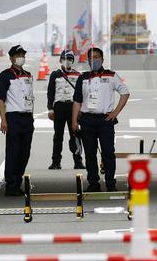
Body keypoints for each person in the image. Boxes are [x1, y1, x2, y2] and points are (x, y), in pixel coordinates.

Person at [71, 47, 130, 192]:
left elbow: (125, 93)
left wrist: (115, 113)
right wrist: (74, 121)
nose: (94, 60)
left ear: (102, 59)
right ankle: (93, 183)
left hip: (105, 121)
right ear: (88, 61)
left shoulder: (111, 75)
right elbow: (77, 101)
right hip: (87, 120)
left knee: (108, 152)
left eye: (97, 57)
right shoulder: (83, 78)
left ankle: (110, 182)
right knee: (90, 153)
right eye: (91, 58)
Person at [0, 45, 35, 196]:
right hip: (13, 117)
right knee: (13, 152)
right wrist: (3, 119)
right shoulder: (5, 75)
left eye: (22, 54)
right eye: (18, 55)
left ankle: (18, 182)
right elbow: (0, 98)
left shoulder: (28, 75)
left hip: (27, 118)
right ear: (11, 58)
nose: (21, 57)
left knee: (25, 152)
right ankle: (11, 185)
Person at [46, 50, 85, 170]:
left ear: (73, 61)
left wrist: (80, 110)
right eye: (64, 58)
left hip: (72, 107)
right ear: (60, 60)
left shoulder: (78, 75)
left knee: (75, 135)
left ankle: (78, 162)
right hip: (59, 107)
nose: (67, 61)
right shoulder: (55, 74)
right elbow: (50, 92)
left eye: (70, 59)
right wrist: (50, 109)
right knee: (58, 136)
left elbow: (81, 94)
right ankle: (56, 162)